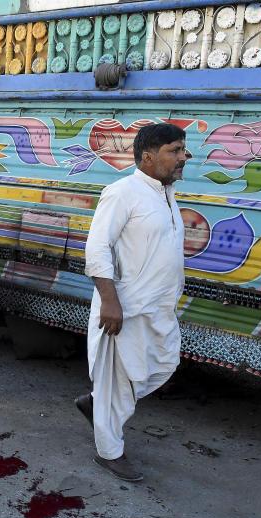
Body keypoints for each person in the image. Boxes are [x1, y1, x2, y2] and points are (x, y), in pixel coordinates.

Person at [75, 123, 190, 482]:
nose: (183, 157)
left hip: (157, 309)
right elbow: (96, 248)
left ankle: (97, 406)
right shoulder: (122, 192)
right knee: (115, 381)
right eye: (175, 151)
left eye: (183, 150)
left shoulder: (166, 193)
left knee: (160, 365)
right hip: (122, 310)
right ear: (147, 157)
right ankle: (110, 452)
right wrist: (109, 301)